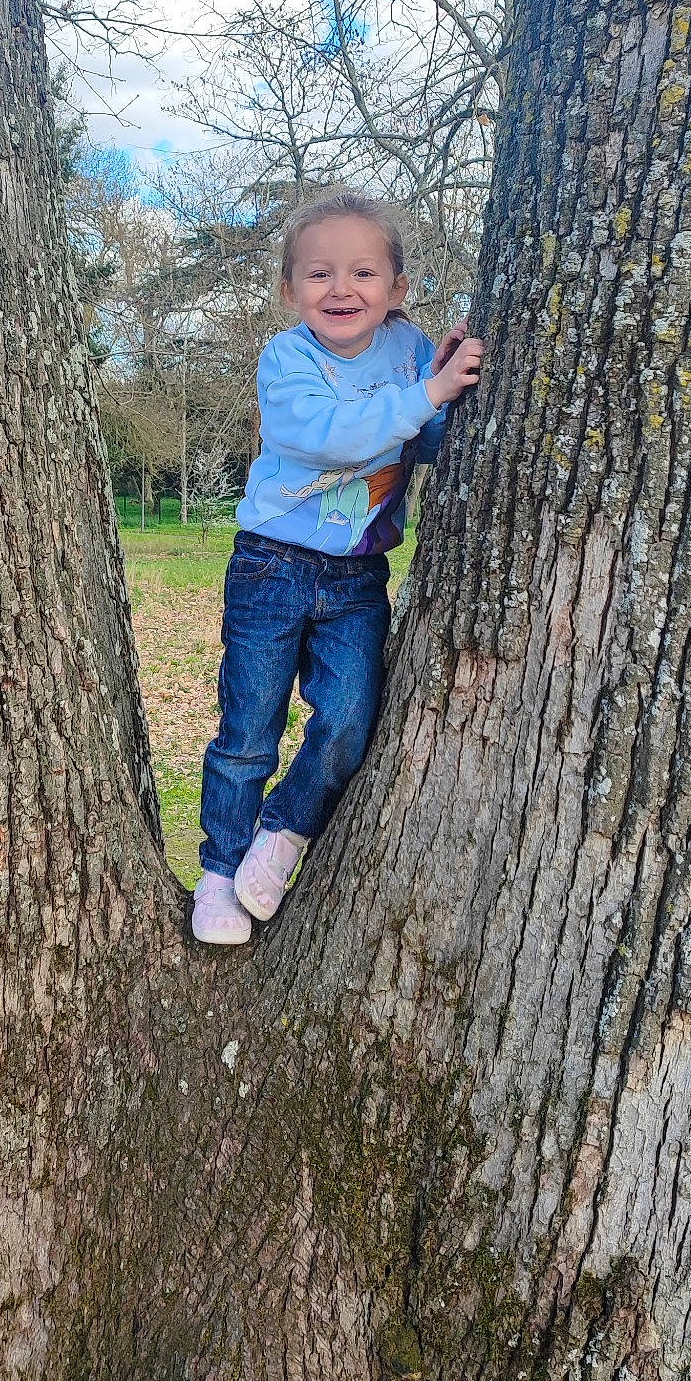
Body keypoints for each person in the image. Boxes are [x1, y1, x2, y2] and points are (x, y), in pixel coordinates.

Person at [192, 189, 484, 945]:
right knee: (249, 727)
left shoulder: (412, 351)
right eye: (319, 274)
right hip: (271, 567)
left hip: (357, 578)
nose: (342, 289)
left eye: (363, 273)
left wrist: (446, 379)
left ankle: (283, 831)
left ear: (397, 289)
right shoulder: (287, 359)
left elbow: (430, 439)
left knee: (351, 719)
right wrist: (428, 393)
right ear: (291, 290)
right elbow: (328, 438)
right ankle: (219, 874)